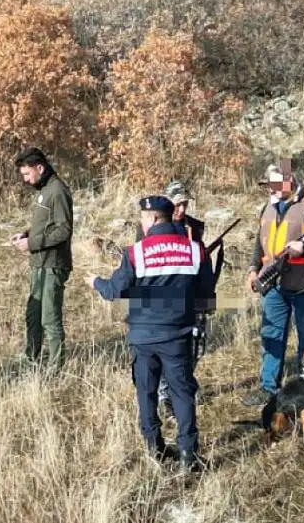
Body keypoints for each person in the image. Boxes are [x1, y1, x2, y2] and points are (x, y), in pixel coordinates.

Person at [86, 196, 216, 472]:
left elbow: (114, 292)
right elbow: (207, 297)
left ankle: (154, 449)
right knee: (182, 394)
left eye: (143, 218)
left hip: (143, 336)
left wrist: (96, 282)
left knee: (146, 392)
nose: (141, 223)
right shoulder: (196, 251)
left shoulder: (135, 253)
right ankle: (189, 456)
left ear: (154, 219)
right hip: (178, 334)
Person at [242, 161, 304, 407]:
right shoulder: (268, 208)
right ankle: (268, 387)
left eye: (274, 184)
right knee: (271, 335)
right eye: (267, 185)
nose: (270, 189)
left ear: (290, 180)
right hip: (274, 285)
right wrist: (253, 270)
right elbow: (259, 244)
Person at [135, 180, 208, 419]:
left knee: (193, 352)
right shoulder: (147, 230)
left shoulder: (194, 228)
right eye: (178, 204)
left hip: (192, 301)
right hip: (160, 308)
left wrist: (207, 303)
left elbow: (203, 269)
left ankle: (183, 390)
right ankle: (168, 399)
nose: (182, 210)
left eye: (186, 204)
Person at [10, 147, 73, 372]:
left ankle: (55, 368)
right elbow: (47, 224)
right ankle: (31, 358)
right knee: (33, 315)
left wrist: (32, 244)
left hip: (53, 265)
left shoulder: (57, 190)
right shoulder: (44, 190)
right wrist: (26, 233)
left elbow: (64, 230)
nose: (26, 180)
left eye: (27, 174)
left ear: (40, 168)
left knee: (49, 318)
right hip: (39, 263)